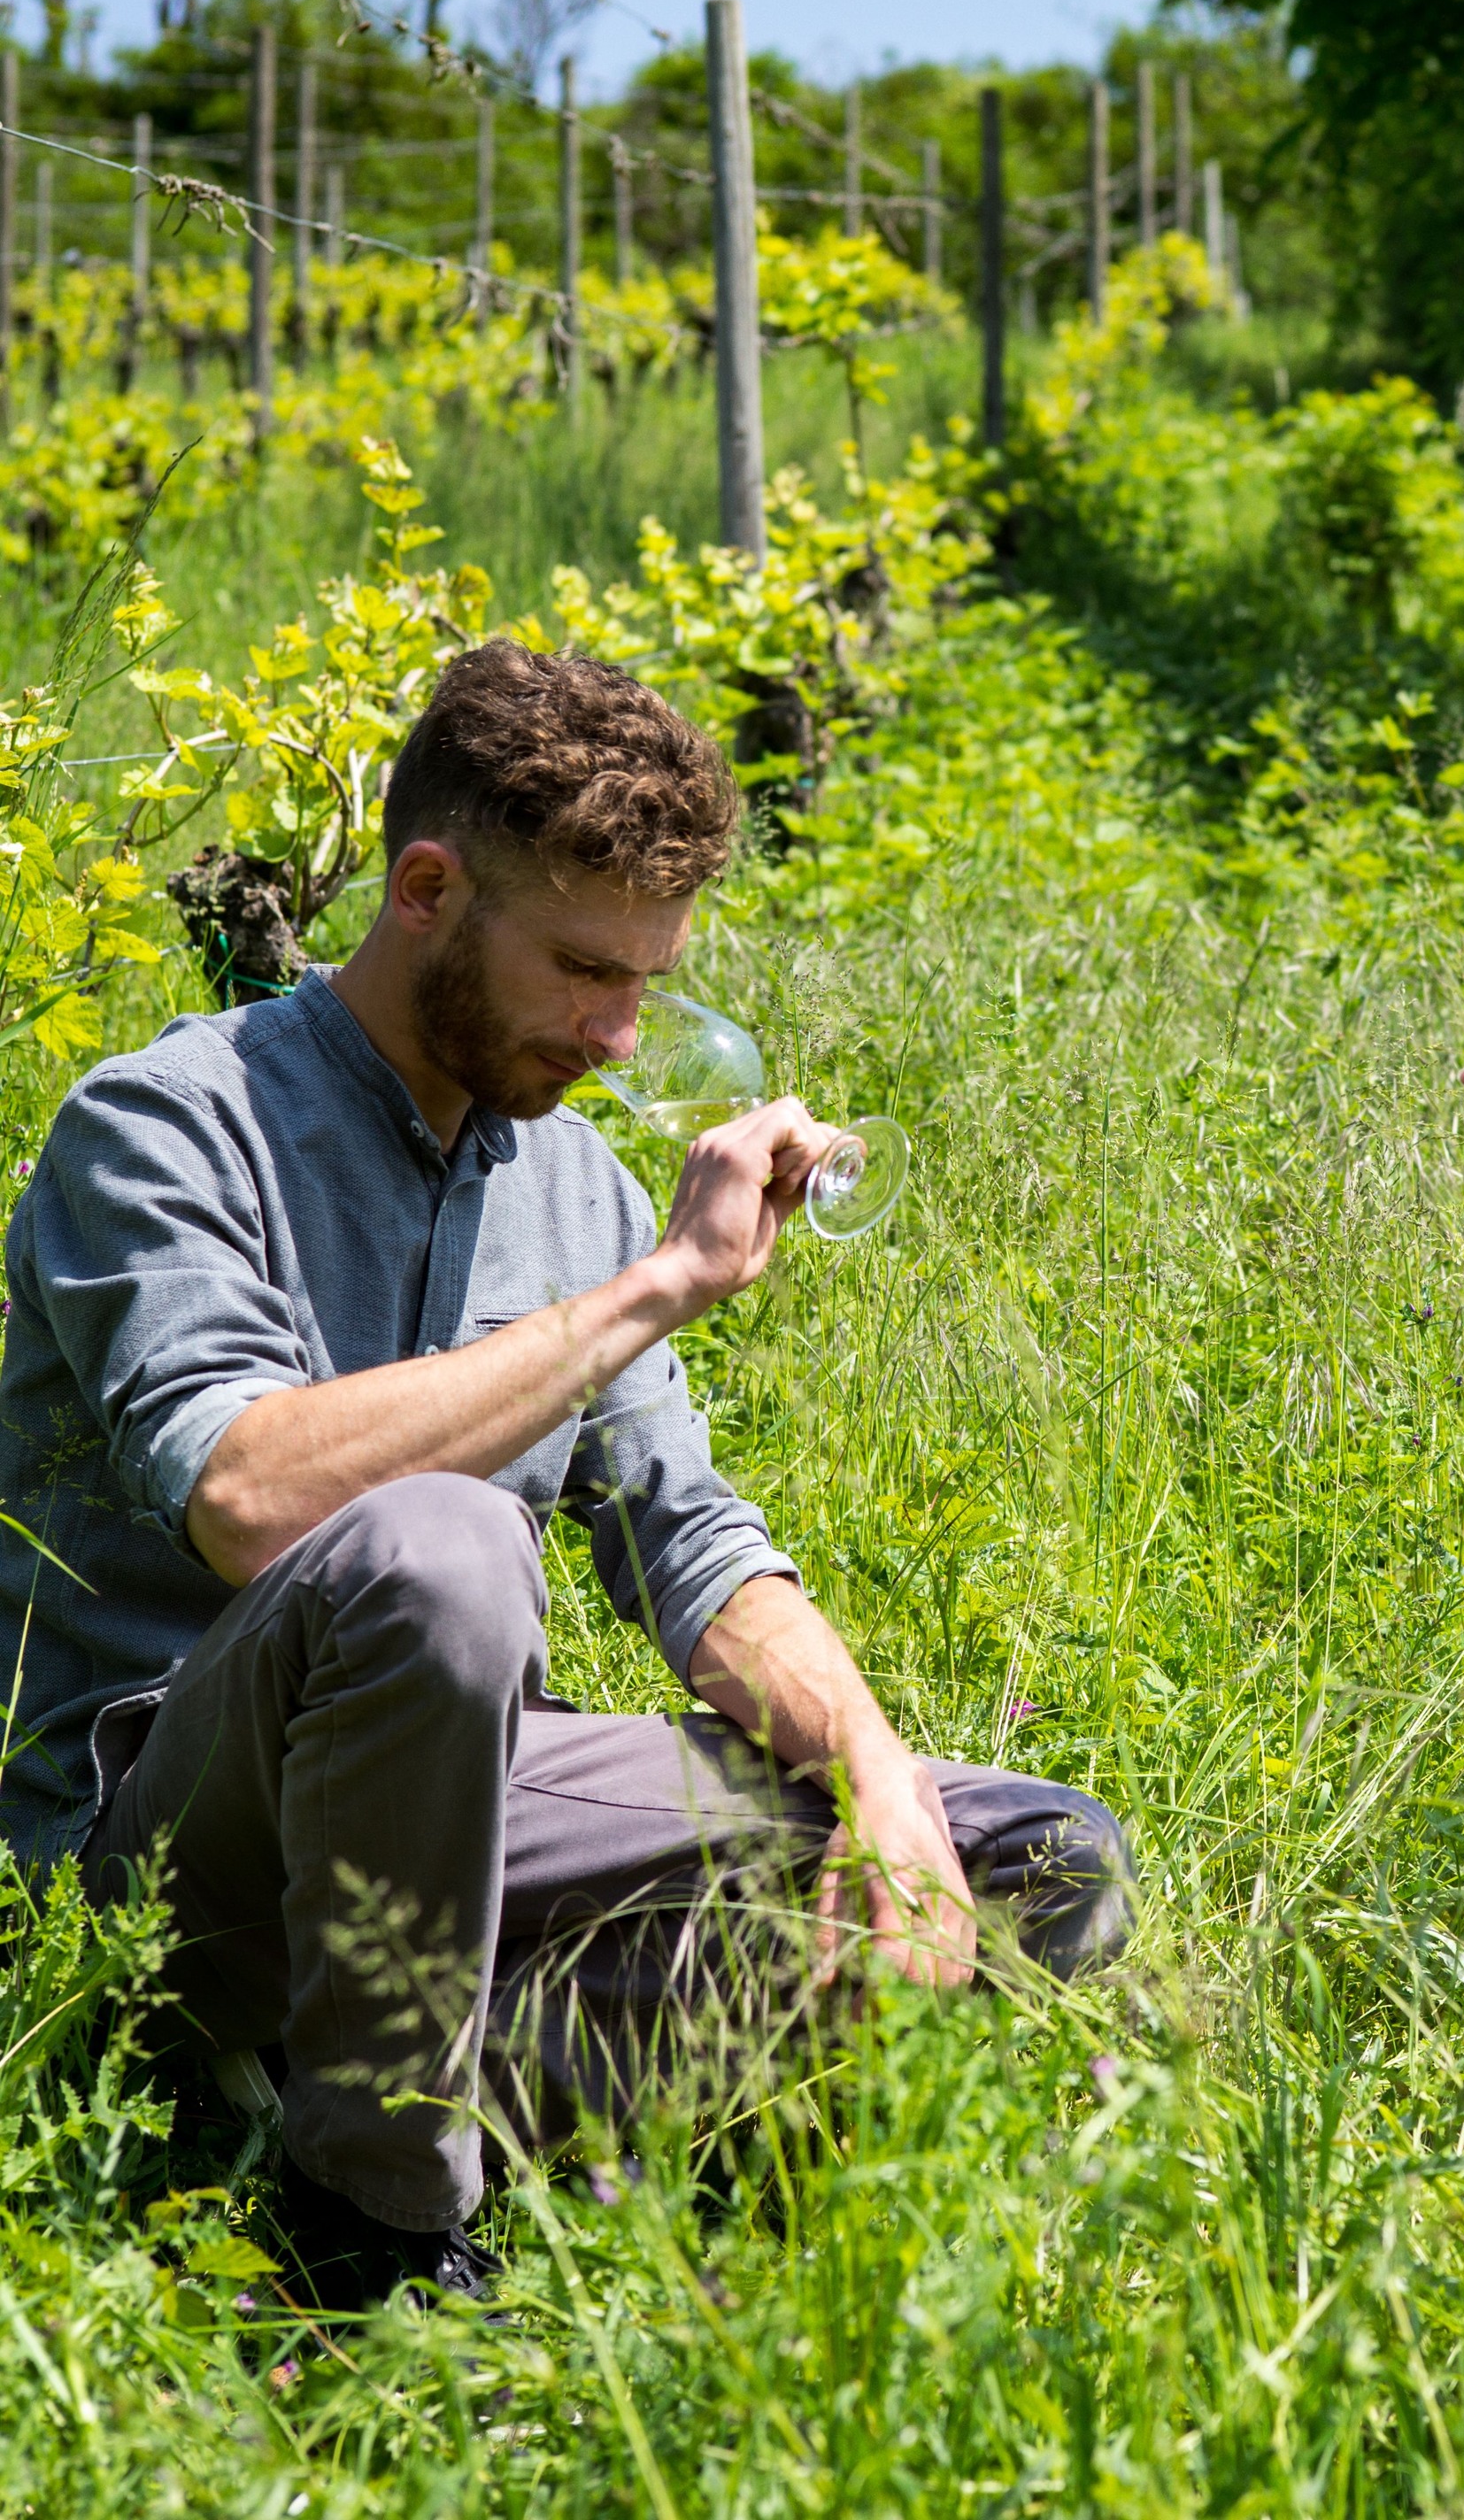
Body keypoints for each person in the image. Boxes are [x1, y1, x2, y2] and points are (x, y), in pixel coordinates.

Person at [0, 640, 1129, 2306]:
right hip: (162, 1870)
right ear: (427, 890)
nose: (615, 1033)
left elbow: (699, 1556)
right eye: (584, 971)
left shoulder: (578, 1186)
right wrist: (652, 1293)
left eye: (648, 985)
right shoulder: (165, 1128)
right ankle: (366, 2229)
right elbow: (245, 1498)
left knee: (1032, 1861)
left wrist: (881, 1787)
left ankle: (324, 2113)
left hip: (443, 1843)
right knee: (440, 1548)